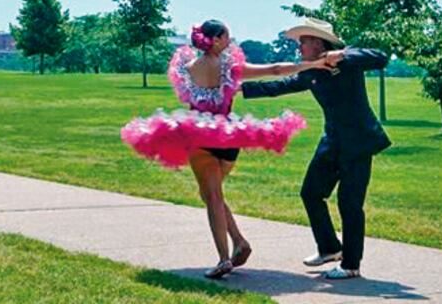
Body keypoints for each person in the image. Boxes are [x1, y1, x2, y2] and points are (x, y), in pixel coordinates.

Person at [121, 19, 333, 279]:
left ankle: (224, 259)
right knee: (213, 195)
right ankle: (239, 242)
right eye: (228, 37)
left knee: (211, 197)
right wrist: (312, 63)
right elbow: (276, 69)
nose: (230, 41)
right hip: (230, 138)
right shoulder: (230, 68)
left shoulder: (185, 69)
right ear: (217, 39)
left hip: (199, 135)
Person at [240, 17, 390, 281]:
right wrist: (237, 89)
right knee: (310, 193)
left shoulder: (348, 60)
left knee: (349, 203)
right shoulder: (310, 72)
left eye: (304, 42)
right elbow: (280, 86)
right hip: (332, 142)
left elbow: (380, 57)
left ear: (318, 42)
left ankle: (351, 265)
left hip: (358, 142)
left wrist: (341, 55)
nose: (300, 48)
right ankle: (330, 248)